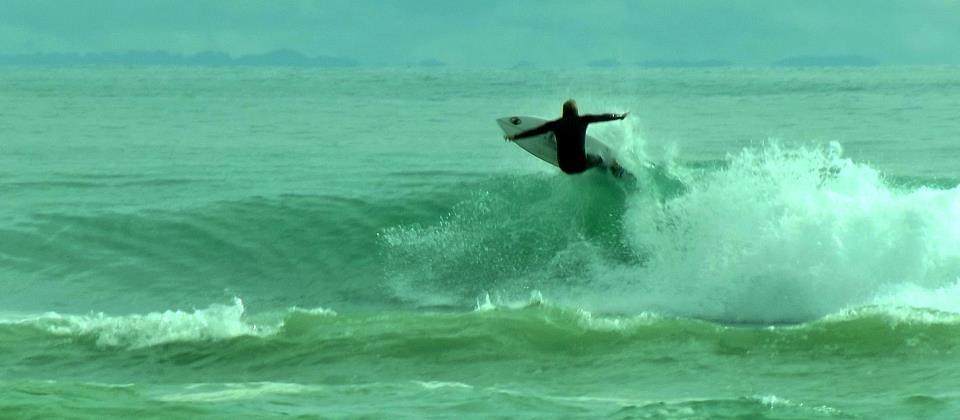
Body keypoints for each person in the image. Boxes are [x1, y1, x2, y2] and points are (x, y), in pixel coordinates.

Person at [504, 99, 628, 175]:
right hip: (581, 165)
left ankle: (553, 142)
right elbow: (603, 117)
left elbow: (535, 131)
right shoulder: (583, 120)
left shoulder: (555, 124)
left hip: (564, 167)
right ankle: (614, 169)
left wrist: (515, 136)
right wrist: (619, 116)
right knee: (600, 158)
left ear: (563, 112)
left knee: (557, 137)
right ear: (576, 111)